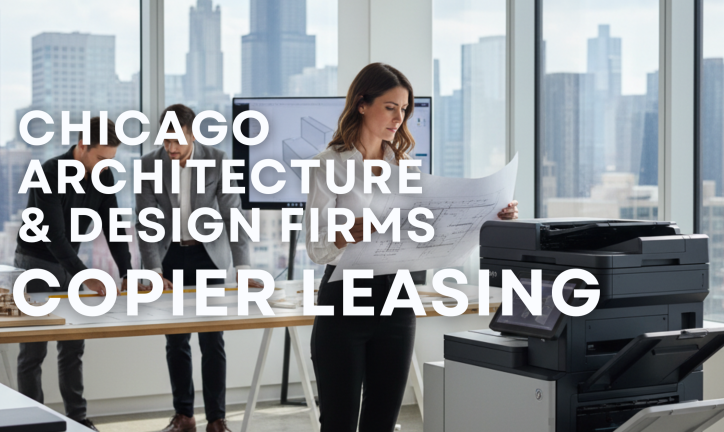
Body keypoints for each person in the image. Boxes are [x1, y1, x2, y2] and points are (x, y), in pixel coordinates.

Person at [306, 63, 519, 432]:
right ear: (361, 103)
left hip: (398, 298)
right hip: (344, 296)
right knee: (338, 421)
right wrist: (344, 234)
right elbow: (316, 248)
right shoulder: (328, 165)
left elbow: (434, 230)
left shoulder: (405, 167)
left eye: (404, 109)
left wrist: (491, 217)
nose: (399, 117)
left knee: (383, 419)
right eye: (390, 107)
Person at [135, 104, 261, 432]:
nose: (172, 148)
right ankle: (184, 416)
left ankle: (216, 419)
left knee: (212, 339)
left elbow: (234, 213)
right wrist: (153, 270)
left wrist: (243, 265)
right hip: (171, 257)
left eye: (177, 140)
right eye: (166, 142)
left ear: (193, 132)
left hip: (208, 255)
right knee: (176, 340)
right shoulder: (149, 165)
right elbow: (146, 222)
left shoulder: (217, 160)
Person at [15, 117, 135, 431]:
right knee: (34, 349)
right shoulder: (50, 173)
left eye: (110, 160)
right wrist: (83, 276)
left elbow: (114, 228)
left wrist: (129, 274)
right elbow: (53, 236)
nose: (105, 166)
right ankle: (33, 421)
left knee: (73, 343)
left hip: (69, 263)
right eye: (99, 158)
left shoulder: (104, 175)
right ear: (82, 145)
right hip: (35, 262)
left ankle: (78, 419)